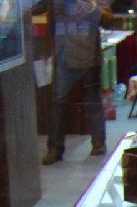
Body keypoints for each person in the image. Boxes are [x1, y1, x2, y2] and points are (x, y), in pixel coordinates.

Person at [42, 0, 112, 165]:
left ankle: (98, 143)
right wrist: (47, 51)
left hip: (89, 57)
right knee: (58, 103)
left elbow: (107, 20)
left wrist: (91, 7)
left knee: (92, 101)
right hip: (63, 56)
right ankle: (55, 148)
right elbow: (50, 22)